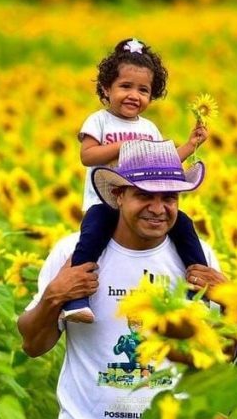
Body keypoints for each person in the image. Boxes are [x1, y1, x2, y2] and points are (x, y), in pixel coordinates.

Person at [18, 140, 222, 419]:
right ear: (119, 196)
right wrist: (54, 296)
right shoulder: (72, 253)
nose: (159, 208)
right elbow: (33, 345)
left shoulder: (199, 261)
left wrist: (231, 304)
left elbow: (213, 359)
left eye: (169, 198)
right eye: (144, 195)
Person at [62, 37, 209, 324]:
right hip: (104, 201)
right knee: (91, 238)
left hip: (142, 200)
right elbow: (87, 156)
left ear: (151, 96)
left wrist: (190, 146)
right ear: (107, 89)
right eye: (125, 86)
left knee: (184, 226)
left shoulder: (149, 128)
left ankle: (197, 290)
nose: (134, 95)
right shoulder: (99, 121)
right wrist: (125, 146)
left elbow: (161, 164)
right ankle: (75, 297)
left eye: (143, 90)